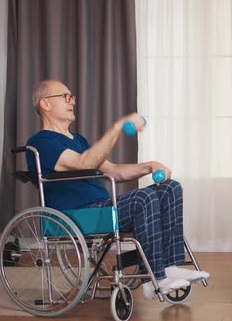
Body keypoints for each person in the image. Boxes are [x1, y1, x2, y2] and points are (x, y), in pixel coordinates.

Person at [26, 79, 209, 300]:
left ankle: (168, 267)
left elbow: (113, 172)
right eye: (65, 97)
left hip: (102, 209)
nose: (71, 101)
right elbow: (85, 162)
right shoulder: (42, 142)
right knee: (144, 198)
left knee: (170, 188)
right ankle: (153, 279)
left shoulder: (79, 140)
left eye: (72, 97)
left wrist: (149, 166)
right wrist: (117, 127)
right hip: (79, 215)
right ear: (45, 103)